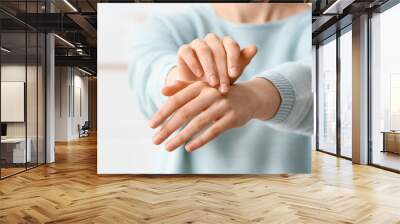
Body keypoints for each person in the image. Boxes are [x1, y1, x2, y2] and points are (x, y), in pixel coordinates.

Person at [129, 3, 313, 173]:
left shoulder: (323, 19)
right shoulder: (166, 23)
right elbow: (149, 72)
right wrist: (182, 78)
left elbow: (325, 88)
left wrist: (255, 96)